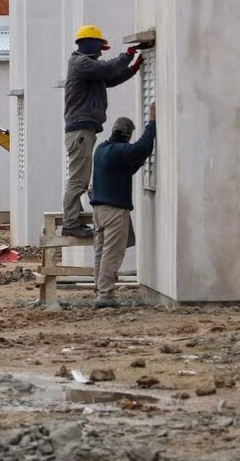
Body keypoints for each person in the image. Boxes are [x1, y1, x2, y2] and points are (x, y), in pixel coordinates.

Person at [62, 24, 142, 237]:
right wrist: (127, 56)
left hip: (82, 130)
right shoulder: (80, 63)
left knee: (80, 177)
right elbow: (107, 69)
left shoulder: (87, 68)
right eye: (99, 48)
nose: (100, 53)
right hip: (80, 130)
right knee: (78, 179)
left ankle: (72, 220)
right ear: (90, 44)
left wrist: (133, 68)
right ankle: (70, 224)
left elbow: (110, 79)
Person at [89, 103, 156, 308]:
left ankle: (99, 290)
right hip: (114, 212)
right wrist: (152, 123)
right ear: (127, 135)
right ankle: (105, 296)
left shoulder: (101, 149)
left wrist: (138, 160)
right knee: (112, 254)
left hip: (98, 211)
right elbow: (143, 147)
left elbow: (126, 167)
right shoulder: (120, 151)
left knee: (101, 252)